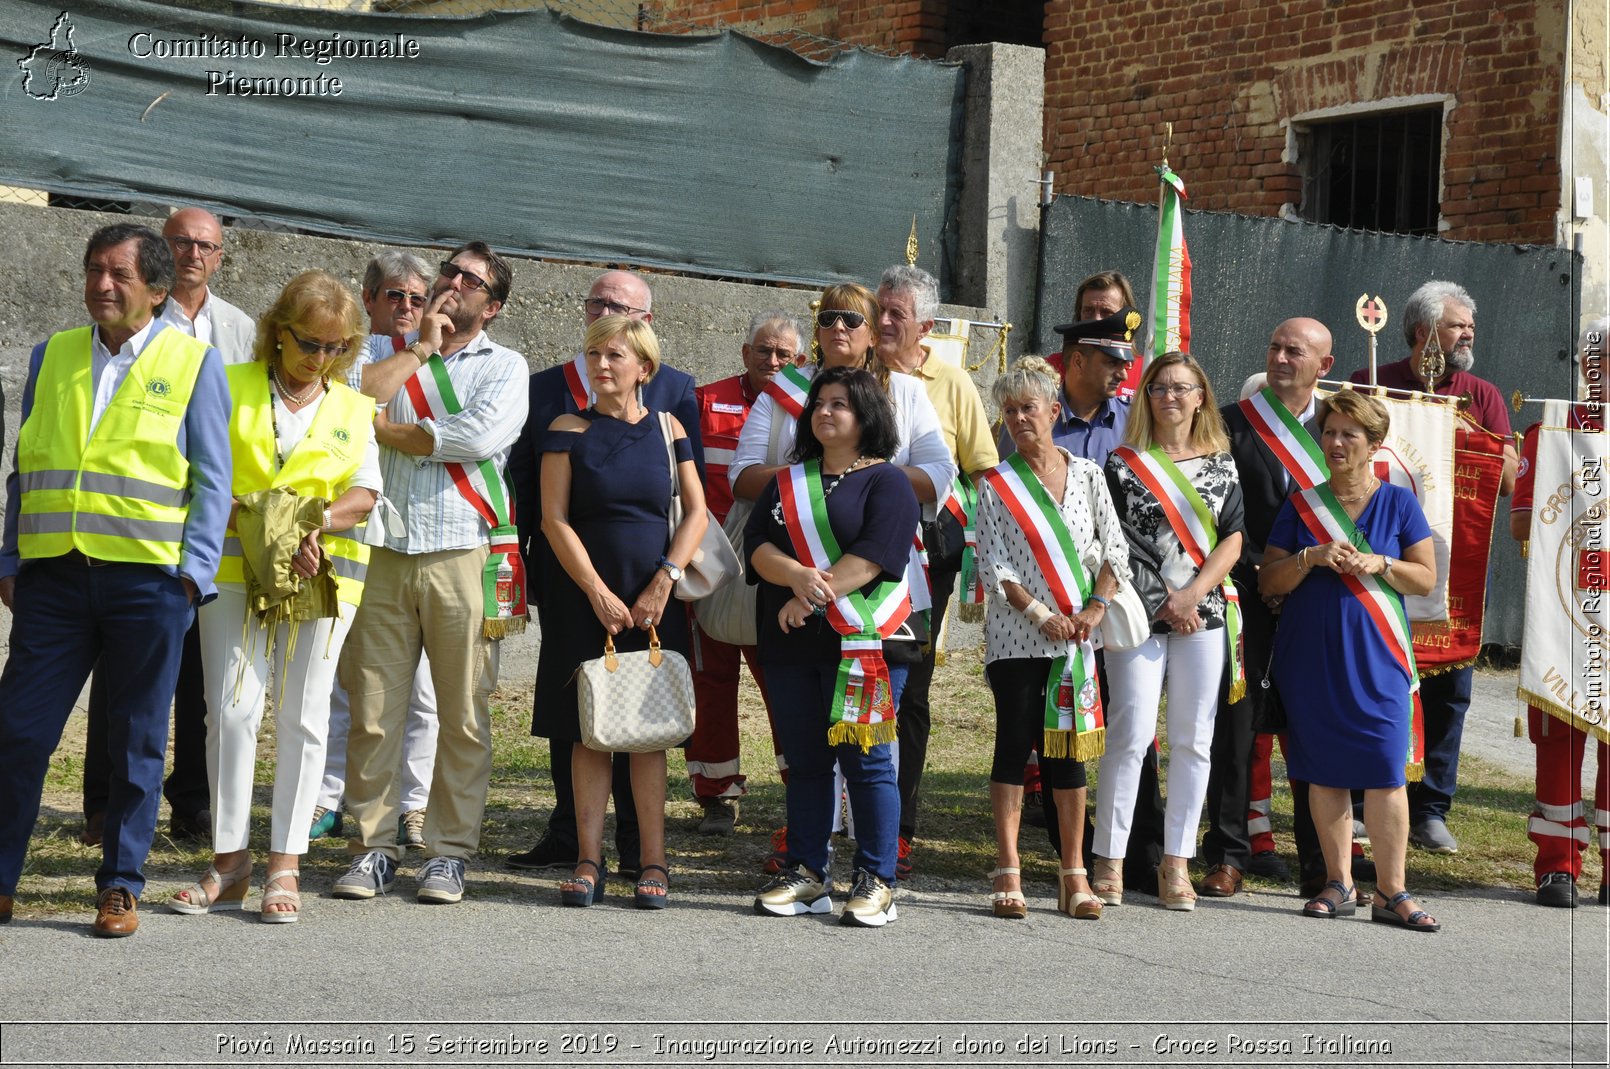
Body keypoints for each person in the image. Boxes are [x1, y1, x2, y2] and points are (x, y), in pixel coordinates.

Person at [0, 223, 231, 936]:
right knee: (17, 731)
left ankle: (121, 884)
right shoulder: (54, 354)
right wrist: (10, 558)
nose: (101, 284)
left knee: (135, 741)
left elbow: (212, 481)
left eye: (118, 274)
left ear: (158, 290)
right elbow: (25, 465)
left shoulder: (194, 364)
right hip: (54, 582)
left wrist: (190, 578)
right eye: (93, 269)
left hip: (148, 586)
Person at [169, 270, 378, 922]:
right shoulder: (225, 385)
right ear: (277, 331)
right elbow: (189, 468)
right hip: (232, 570)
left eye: (337, 347)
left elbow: (365, 493)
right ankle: (229, 862)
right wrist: (231, 507)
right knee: (232, 712)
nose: (322, 359)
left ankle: (284, 862)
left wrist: (313, 522)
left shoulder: (353, 405)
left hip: (324, 577)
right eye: (310, 343)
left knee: (304, 717)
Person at [728, 282, 956, 876]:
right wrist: (812, 478)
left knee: (869, 750)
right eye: (827, 318)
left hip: (871, 611)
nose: (839, 328)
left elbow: (936, 477)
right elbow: (747, 491)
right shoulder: (784, 397)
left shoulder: (903, 395)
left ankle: (877, 867)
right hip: (796, 610)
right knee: (807, 751)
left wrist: (861, 480)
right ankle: (810, 863)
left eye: (852, 318)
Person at [332, 240, 528, 906]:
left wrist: (382, 429)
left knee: (463, 712)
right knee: (375, 710)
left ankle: (447, 851)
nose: (452, 284)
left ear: (492, 305)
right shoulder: (374, 349)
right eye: (448, 272)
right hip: (381, 549)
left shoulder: (506, 366)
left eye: (470, 280)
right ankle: (373, 845)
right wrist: (419, 349)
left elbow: (474, 438)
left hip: (461, 553)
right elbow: (343, 402)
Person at [506, 269, 704, 879]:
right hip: (580, 594)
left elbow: (696, 512)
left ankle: (652, 860)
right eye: (593, 353)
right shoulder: (566, 429)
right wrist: (594, 591)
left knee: (647, 733)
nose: (599, 364)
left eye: (613, 354)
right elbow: (552, 519)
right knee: (586, 729)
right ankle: (587, 859)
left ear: (643, 364)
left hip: (653, 594)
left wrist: (664, 581)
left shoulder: (670, 429)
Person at [80, 207, 255, 848]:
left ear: (219, 257)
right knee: (119, 678)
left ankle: (190, 803)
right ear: (162, 252)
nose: (193, 254)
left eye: (206, 246)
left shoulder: (238, 328)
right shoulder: (123, 326)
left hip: (205, 520)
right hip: (130, 528)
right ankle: (103, 804)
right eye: (181, 242)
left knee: (199, 681)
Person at [1259, 390, 1440, 931]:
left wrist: (1380, 562)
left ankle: (1392, 890)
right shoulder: (1301, 505)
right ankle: (1338, 882)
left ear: (1373, 445)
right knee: (1323, 770)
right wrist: (1310, 557)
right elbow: (1269, 580)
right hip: (1310, 657)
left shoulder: (1400, 503)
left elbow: (1426, 578)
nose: (1336, 443)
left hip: (1380, 658)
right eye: (1330, 433)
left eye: (1349, 435)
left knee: (1386, 771)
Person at [747, 366, 920, 926]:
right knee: (806, 762)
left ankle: (876, 879)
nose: (825, 412)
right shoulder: (787, 481)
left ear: (866, 414)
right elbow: (757, 548)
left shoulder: (888, 482)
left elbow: (874, 557)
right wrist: (796, 577)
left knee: (868, 764)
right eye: (819, 403)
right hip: (792, 643)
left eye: (840, 404)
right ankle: (808, 872)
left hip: (864, 644)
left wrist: (809, 596)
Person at [1348, 280, 1513, 856]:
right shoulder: (1373, 380)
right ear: (1422, 332)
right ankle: (1368, 801)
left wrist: (1464, 433)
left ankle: (1432, 809)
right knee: (1378, 689)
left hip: (1453, 569)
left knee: (1450, 696)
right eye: (1456, 326)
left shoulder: (1483, 395)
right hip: (1383, 562)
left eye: (1470, 326)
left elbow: (1512, 476)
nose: (1467, 334)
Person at [977, 357, 1128, 919]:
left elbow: (1115, 549)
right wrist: (1044, 615)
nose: (1019, 418)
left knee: (1068, 755)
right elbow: (995, 569)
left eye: (1028, 408)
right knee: (1014, 746)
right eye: (1009, 410)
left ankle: (1075, 874)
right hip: (1018, 640)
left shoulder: (1089, 474)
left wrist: (1094, 607)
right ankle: (1009, 869)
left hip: (1077, 641)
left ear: (1053, 411)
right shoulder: (994, 485)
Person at [1098, 350, 1244, 911]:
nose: (1170, 398)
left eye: (1182, 388)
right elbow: (1112, 544)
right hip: (1138, 612)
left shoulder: (1223, 464)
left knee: (1193, 740)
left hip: (1202, 613)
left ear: (1201, 396)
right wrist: (1164, 600)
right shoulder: (1123, 463)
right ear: (1146, 397)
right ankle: (1108, 860)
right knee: (1129, 735)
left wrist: (1191, 596)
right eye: (1159, 388)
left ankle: (1177, 865)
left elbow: (1232, 538)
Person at [1200, 318, 1335, 898]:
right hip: (1242, 594)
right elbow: (1213, 513)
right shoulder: (1228, 424)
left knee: (1310, 728)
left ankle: (1318, 862)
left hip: (1317, 601)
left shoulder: (1340, 428)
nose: (1281, 358)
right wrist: (1261, 575)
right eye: (1275, 347)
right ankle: (1228, 853)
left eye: (1295, 351)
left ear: (1323, 366)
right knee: (1234, 725)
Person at [311, 249, 441, 847]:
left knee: (420, 689)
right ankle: (326, 797)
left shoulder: (451, 355)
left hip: (415, 536)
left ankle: (413, 804)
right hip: (352, 531)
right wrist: (417, 351)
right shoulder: (346, 347)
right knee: (338, 674)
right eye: (395, 295)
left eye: (417, 297)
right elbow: (358, 395)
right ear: (368, 299)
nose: (408, 307)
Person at [876, 264, 998, 877]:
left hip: (928, 553)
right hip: (851, 548)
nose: (885, 321)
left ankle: (900, 824)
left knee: (911, 685)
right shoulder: (853, 377)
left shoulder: (951, 383)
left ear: (925, 324)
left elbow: (982, 469)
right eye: (881, 309)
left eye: (898, 313)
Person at [686, 309, 804, 834]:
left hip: (777, 563)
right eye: (764, 351)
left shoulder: (810, 405)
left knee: (782, 678)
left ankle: (799, 779)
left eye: (785, 355)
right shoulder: (704, 402)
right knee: (710, 678)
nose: (774, 362)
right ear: (744, 354)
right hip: (710, 562)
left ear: (800, 360)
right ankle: (717, 792)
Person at [1511, 316, 1609, 909]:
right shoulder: (1549, 432)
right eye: (1596, 362)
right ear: (1582, 366)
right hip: (1568, 605)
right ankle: (1557, 866)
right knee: (1559, 739)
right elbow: (1523, 523)